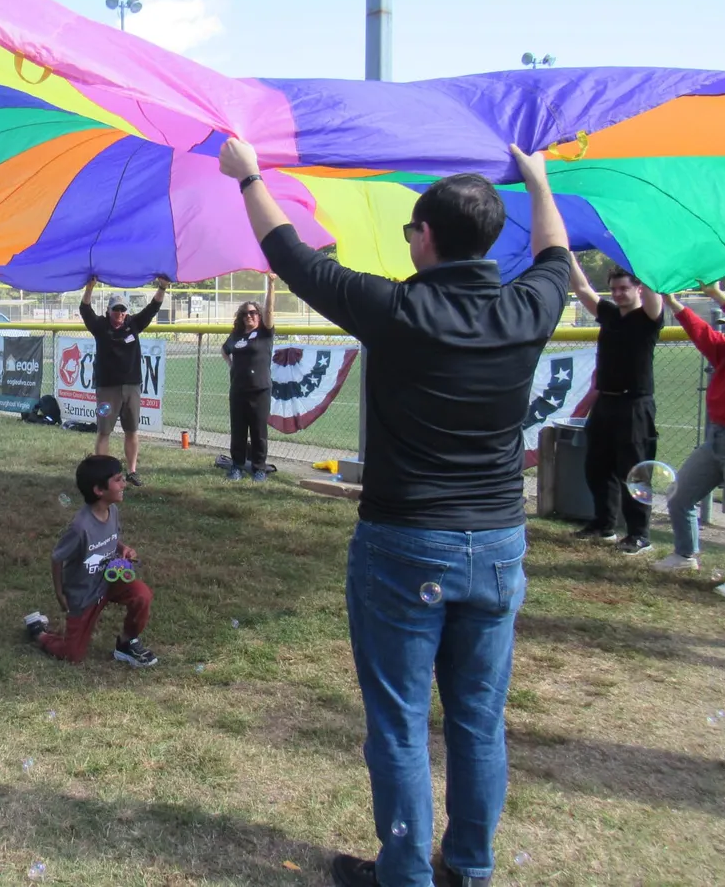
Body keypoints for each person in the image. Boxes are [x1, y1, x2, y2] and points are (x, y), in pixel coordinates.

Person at [219, 137, 570, 887]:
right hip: (499, 548)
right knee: (478, 720)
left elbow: (292, 256)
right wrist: (539, 185)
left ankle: (406, 874)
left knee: (401, 722)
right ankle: (469, 867)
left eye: (411, 230)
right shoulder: (529, 307)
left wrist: (249, 174)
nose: (407, 239)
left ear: (428, 238)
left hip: (408, 545)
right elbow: (552, 252)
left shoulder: (398, 307)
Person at [23, 455, 157, 667]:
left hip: (110, 581)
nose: (124, 483)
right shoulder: (80, 527)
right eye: (118, 479)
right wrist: (60, 593)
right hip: (84, 593)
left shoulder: (112, 511)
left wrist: (123, 549)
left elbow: (110, 539)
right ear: (99, 490)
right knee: (72, 654)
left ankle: (126, 642)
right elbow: (57, 557)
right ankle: (39, 632)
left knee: (142, 595)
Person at [569, 256, 663, 554]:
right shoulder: (609, 315)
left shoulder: (648, 318)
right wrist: (566, 251)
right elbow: (582, 288)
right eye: (614, 289)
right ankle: (603, 524)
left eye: (624, 288)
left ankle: (639, 534)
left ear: (637, 288)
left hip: (635, 404)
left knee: (634, 471)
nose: (619, 294)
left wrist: (640, 254)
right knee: (597, 466)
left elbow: (653, 289)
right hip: (606, 402)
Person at [655, 286, 725, 598]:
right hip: (717, 437)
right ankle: (684, 555)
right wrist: (674, 304)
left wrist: (719, 296)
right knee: (680, 494)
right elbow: (702, 333)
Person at [79, 277, 169, 486]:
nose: (119, 314)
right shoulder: (100, 326)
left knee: (132, 430)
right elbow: (85, 310)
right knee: (104, 431)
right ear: (109, 311)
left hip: (132, 387)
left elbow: (153, 307)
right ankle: (101, 472)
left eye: (122, 310)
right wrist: (89, 288)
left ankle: (132, 471)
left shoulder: (133, 325)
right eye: (115, 309)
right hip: (107, 388)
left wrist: (162, 287)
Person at [222, 277, 276, 482]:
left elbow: (270, 311)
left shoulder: (264, 333)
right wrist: (231, 364)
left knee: (258, 431)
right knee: (238, 431)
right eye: (245, 314)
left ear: (259, 315)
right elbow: (225, 349)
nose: (249, 317)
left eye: (253, 313)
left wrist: (271, 285)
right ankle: (236, 466)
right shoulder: (236, 336)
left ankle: (259, 468)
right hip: (238, 389)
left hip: (260, 389)